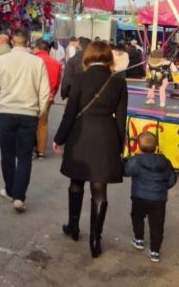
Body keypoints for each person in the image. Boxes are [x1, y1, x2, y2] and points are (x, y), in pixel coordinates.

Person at [53, 40, 128, 258]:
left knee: (76, 183)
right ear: (109, 58)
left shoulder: (80, 79)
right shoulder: (119, 83)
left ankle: (73, 227)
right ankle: (96, 239)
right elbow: (121, 119)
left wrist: (59, 138)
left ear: (89, 56)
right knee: (100, 190)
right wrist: (119, 147)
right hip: (106, 138)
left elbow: (70, 113)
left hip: (80, 135)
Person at [0, 29, 50, 212]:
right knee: (24, 156)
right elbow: (44, 91)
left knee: (7, 153)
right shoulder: (37, 62)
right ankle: (19, 196)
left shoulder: (1, 60)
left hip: (7, 111)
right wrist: (40, 110)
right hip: (29, 113)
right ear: (28, 42)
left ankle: (10, 189)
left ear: (12, 41)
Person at [124, 131, 177, 263]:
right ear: (156, 146)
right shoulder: (165, 161)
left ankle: (139, 239)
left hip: (139, 196)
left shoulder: (136, 160)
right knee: (157, 224)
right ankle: (155, 251)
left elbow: (126, 172)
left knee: (137, 217)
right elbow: (172, 178)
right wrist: (163, 188)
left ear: (138, 146)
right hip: (158, 199)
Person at [33, 40, 63, 159]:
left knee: (29, 122)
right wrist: (51, 95)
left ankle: (30, 147)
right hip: (47, 97)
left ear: (37, 49)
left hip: (31, 96)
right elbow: (57, 83)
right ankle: (41, 151)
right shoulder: (56, 63)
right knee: (43, 123)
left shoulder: (32, 60)